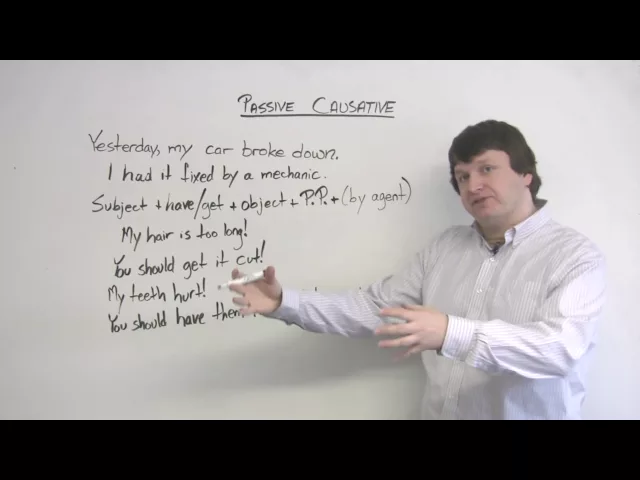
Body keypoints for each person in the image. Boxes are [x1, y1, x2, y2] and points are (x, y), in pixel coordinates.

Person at [227, 119, 607, 420]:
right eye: (462, 176)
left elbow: (561, 349)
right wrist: (285, 302)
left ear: (526, 175)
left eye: (486, 169)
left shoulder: (574, 255)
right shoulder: (445, 247)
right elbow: (374, 308)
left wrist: (451, 332)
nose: (473, 185)